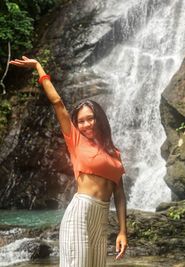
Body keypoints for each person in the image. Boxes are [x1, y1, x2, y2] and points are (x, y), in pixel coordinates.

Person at [9, 56, 127, 267]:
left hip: (101, 218)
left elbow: (119, 194)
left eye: (90, 118)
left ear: (99, 118)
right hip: (80, 212)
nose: (86, 124)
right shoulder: (75, 140)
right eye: (81, 121)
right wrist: (38, 67)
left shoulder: (114, 152)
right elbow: (57, 102)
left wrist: (122, 231)